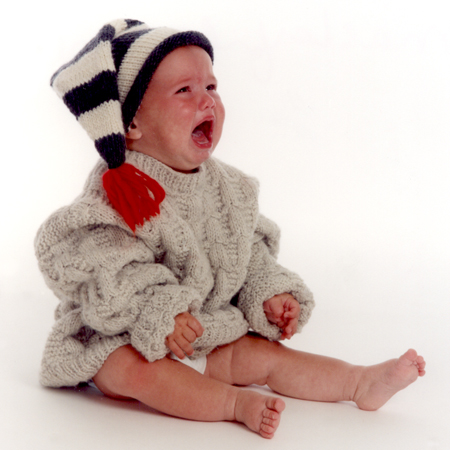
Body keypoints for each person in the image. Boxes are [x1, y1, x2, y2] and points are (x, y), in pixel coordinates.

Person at [36, 19, 426, 439]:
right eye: (184, 90)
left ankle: (357, 382)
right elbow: (105, 270)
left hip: (202, 332)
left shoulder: (227, 188)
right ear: (131, 124)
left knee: (265, 355)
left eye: (212, 87)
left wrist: (268, 290)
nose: (206, 102)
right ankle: (233, 403)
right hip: (126, 334)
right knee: (129, 370)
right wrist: (160, 313)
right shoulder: (121, 193)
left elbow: (245, 250)